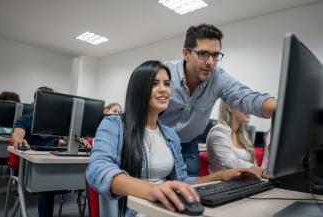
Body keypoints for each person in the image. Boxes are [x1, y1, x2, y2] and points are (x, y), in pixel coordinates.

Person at [86, 60, 259, 217]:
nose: (163, 89)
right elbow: (97, 169)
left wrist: (219, 176)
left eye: (167, 84)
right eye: (155, 84)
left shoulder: (170, 135)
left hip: (166, 209)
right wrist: (153, 190)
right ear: (139, 90)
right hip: (134, 211)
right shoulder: (114, 125)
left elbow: (181, 181)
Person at [159, 23, 277, 176]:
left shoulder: (218, 77)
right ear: (186, 53)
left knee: (190, 194)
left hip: (187, 145)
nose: (210, 62)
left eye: (215, 55)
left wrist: (282, 107)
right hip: (157, 141)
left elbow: (247, 97)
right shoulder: (164, 73)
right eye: (202, 54)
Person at [12, 86, 59, 217]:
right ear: (35, 103)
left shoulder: (56, 124)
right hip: (30, 169)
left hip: (52, 165)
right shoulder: (25, 120)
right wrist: (20, 140)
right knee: (47, 185)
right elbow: (17, 134)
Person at [206, 100, 268, 178]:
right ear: (230, 107)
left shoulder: (243, 135)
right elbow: (230, 161)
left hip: (244, 183)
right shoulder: (218, 131)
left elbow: (253, 163)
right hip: (222, 185)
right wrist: (260, 171)